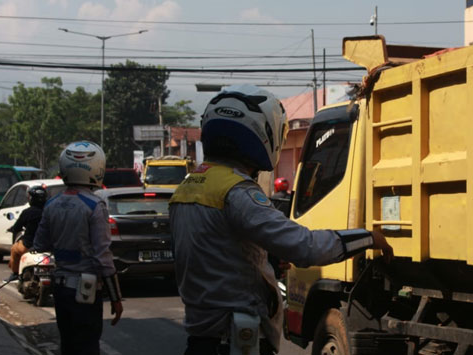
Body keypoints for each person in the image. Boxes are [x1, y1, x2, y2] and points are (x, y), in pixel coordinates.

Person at [169, 84, 394, 355]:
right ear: (262, 132)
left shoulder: (187, 188)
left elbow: (217, 250)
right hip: (234, 342)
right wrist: (369, 237)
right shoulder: (236, 191)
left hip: (201, 338)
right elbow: (305, 246)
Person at [32, 141, 124, 355]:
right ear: (97, 168)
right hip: (85, 293)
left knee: (68, 345)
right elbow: (103, 257)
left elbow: (40, 244)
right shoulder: (95, 206)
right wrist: (116, 298)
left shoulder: (51, 204)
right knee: (87, 346)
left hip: (61, 289)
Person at [6, 185, 48, 281]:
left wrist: (13, 229)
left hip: (29, 245)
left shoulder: (28, 212)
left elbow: (17, 227)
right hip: (48, 246)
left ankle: (15, 273)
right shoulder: (49, 211)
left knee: (14, 249)